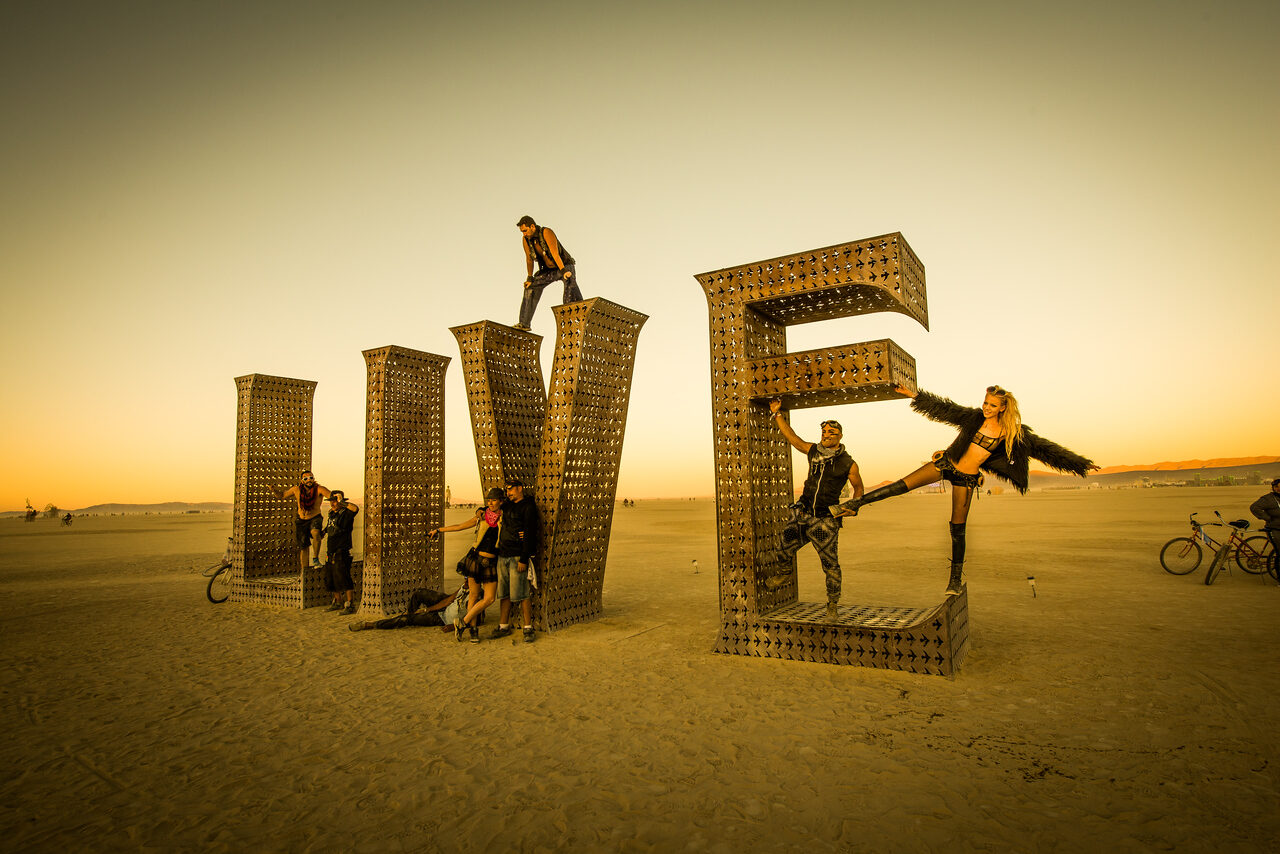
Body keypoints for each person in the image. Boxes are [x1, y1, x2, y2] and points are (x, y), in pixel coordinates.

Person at [832, 384, 1098, 596]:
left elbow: (1045, 450)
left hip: (966, 478)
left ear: (1003, 408)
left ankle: (955, 579)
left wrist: (1081, 465)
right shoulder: (973, 417)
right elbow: (944, 409)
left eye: (992, 405)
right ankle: (853, 505)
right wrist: (914, 395)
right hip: (946, 462)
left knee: (957, 528)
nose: (986, 408)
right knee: (899, 486)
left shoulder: (1013, 433)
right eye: (985, 402)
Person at [760, 399, 865, 620]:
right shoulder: (813, 451)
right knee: (782, 548)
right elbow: (794, 440)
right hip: (802, 514)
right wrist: (777, 414)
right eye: (824, 431)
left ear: (840, 436)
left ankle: (832, 604)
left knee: (830, 566)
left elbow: (859, 488)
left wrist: (854, 506)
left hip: (825, 521)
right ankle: (784, 573)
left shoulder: (848, 463)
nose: (826, 434)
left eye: (831, 432)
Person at [428, 488, 504, 644]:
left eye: (494, 500)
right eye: (488, 500)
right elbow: (459, 526)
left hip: (490, 562)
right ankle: (473, 631)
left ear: (501, 502)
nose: (490, 503)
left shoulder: (505, 518)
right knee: (474, 596)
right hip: (475, 559)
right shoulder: (482, 517)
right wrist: (439, 530)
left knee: (489, 598)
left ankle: (463, 622)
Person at [513, 215, 583, 331]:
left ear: (532, 226)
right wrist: (530, 278)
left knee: (570, 283)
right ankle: (524, 323)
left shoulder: (546, 232)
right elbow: (529, 259)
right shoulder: (526, 240)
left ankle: (574, 315)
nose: (524, 234)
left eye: (525, 231)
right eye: (522, 232)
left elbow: (554, 253)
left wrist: (564, 271)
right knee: (530, 287)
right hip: (547, 271)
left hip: (563, 266)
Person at [493, 478, 540, 642]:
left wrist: (524, 559)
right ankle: (503, 625)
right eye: (507, 490)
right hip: (503, 555)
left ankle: (528, 628)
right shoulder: (507, 505)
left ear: (520, 488)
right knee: (504, 594)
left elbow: (530, 533)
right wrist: (479, 510)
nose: (508, 493)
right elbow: (492, 508)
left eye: (511, 489)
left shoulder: (528, 506)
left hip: (517, 556)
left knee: (522, 593)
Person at [271, 471, 331, 572]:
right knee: (304, 546)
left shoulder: (319, 489)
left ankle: (315, 559)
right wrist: (274, 490)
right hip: (302, 520)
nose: (309, 480)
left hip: (315, 517)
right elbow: (281, 496)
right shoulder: (296, 490)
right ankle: (305, 570)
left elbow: (331, 495)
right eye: (305, 478)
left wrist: (339, 498)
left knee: (316, 533)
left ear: (314, 478)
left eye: (311, 477)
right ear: (301, 480)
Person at [347, 586, 471, 633]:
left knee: (407, 620)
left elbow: (474, 619)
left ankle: (370, 625)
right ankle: (409, 614)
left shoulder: (477, 596)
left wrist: (453, 626)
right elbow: (448, 600)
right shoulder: (466, 586)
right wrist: (426, 610)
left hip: (443, 618)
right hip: (445, 608)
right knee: (420, 593)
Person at [322, 490, 360, 615]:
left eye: (335, 501)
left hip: (342, 549)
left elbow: (355, 509)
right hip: (331, 549)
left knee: (344, 577)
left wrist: (342, 502)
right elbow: (330, 527)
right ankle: (337, 601)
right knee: (331, 577)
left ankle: (350, 604)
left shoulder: (346, 513)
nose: (333, 503)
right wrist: (322, 532)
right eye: (331, 501)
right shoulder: (331, 514)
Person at [1249, 478, 1280, 568]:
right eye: (1276, 487)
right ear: (1273, 488)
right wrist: (1267, 517)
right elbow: (1254, 507)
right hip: (1274, 529)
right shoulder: (1268, 499)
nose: (1278, 489)